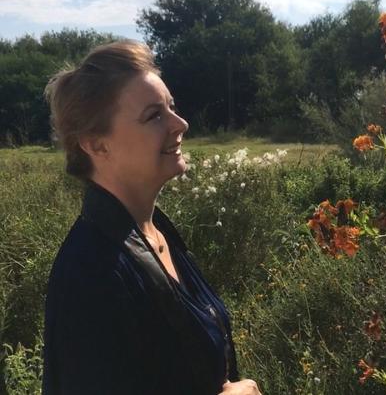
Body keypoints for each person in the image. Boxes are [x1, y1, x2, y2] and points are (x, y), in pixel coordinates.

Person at [41, 41, 261, 395]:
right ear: (96, 145)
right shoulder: (91, 273)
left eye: (171, 108)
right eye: (153, 115)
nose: (181, 123)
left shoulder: (156, 233)